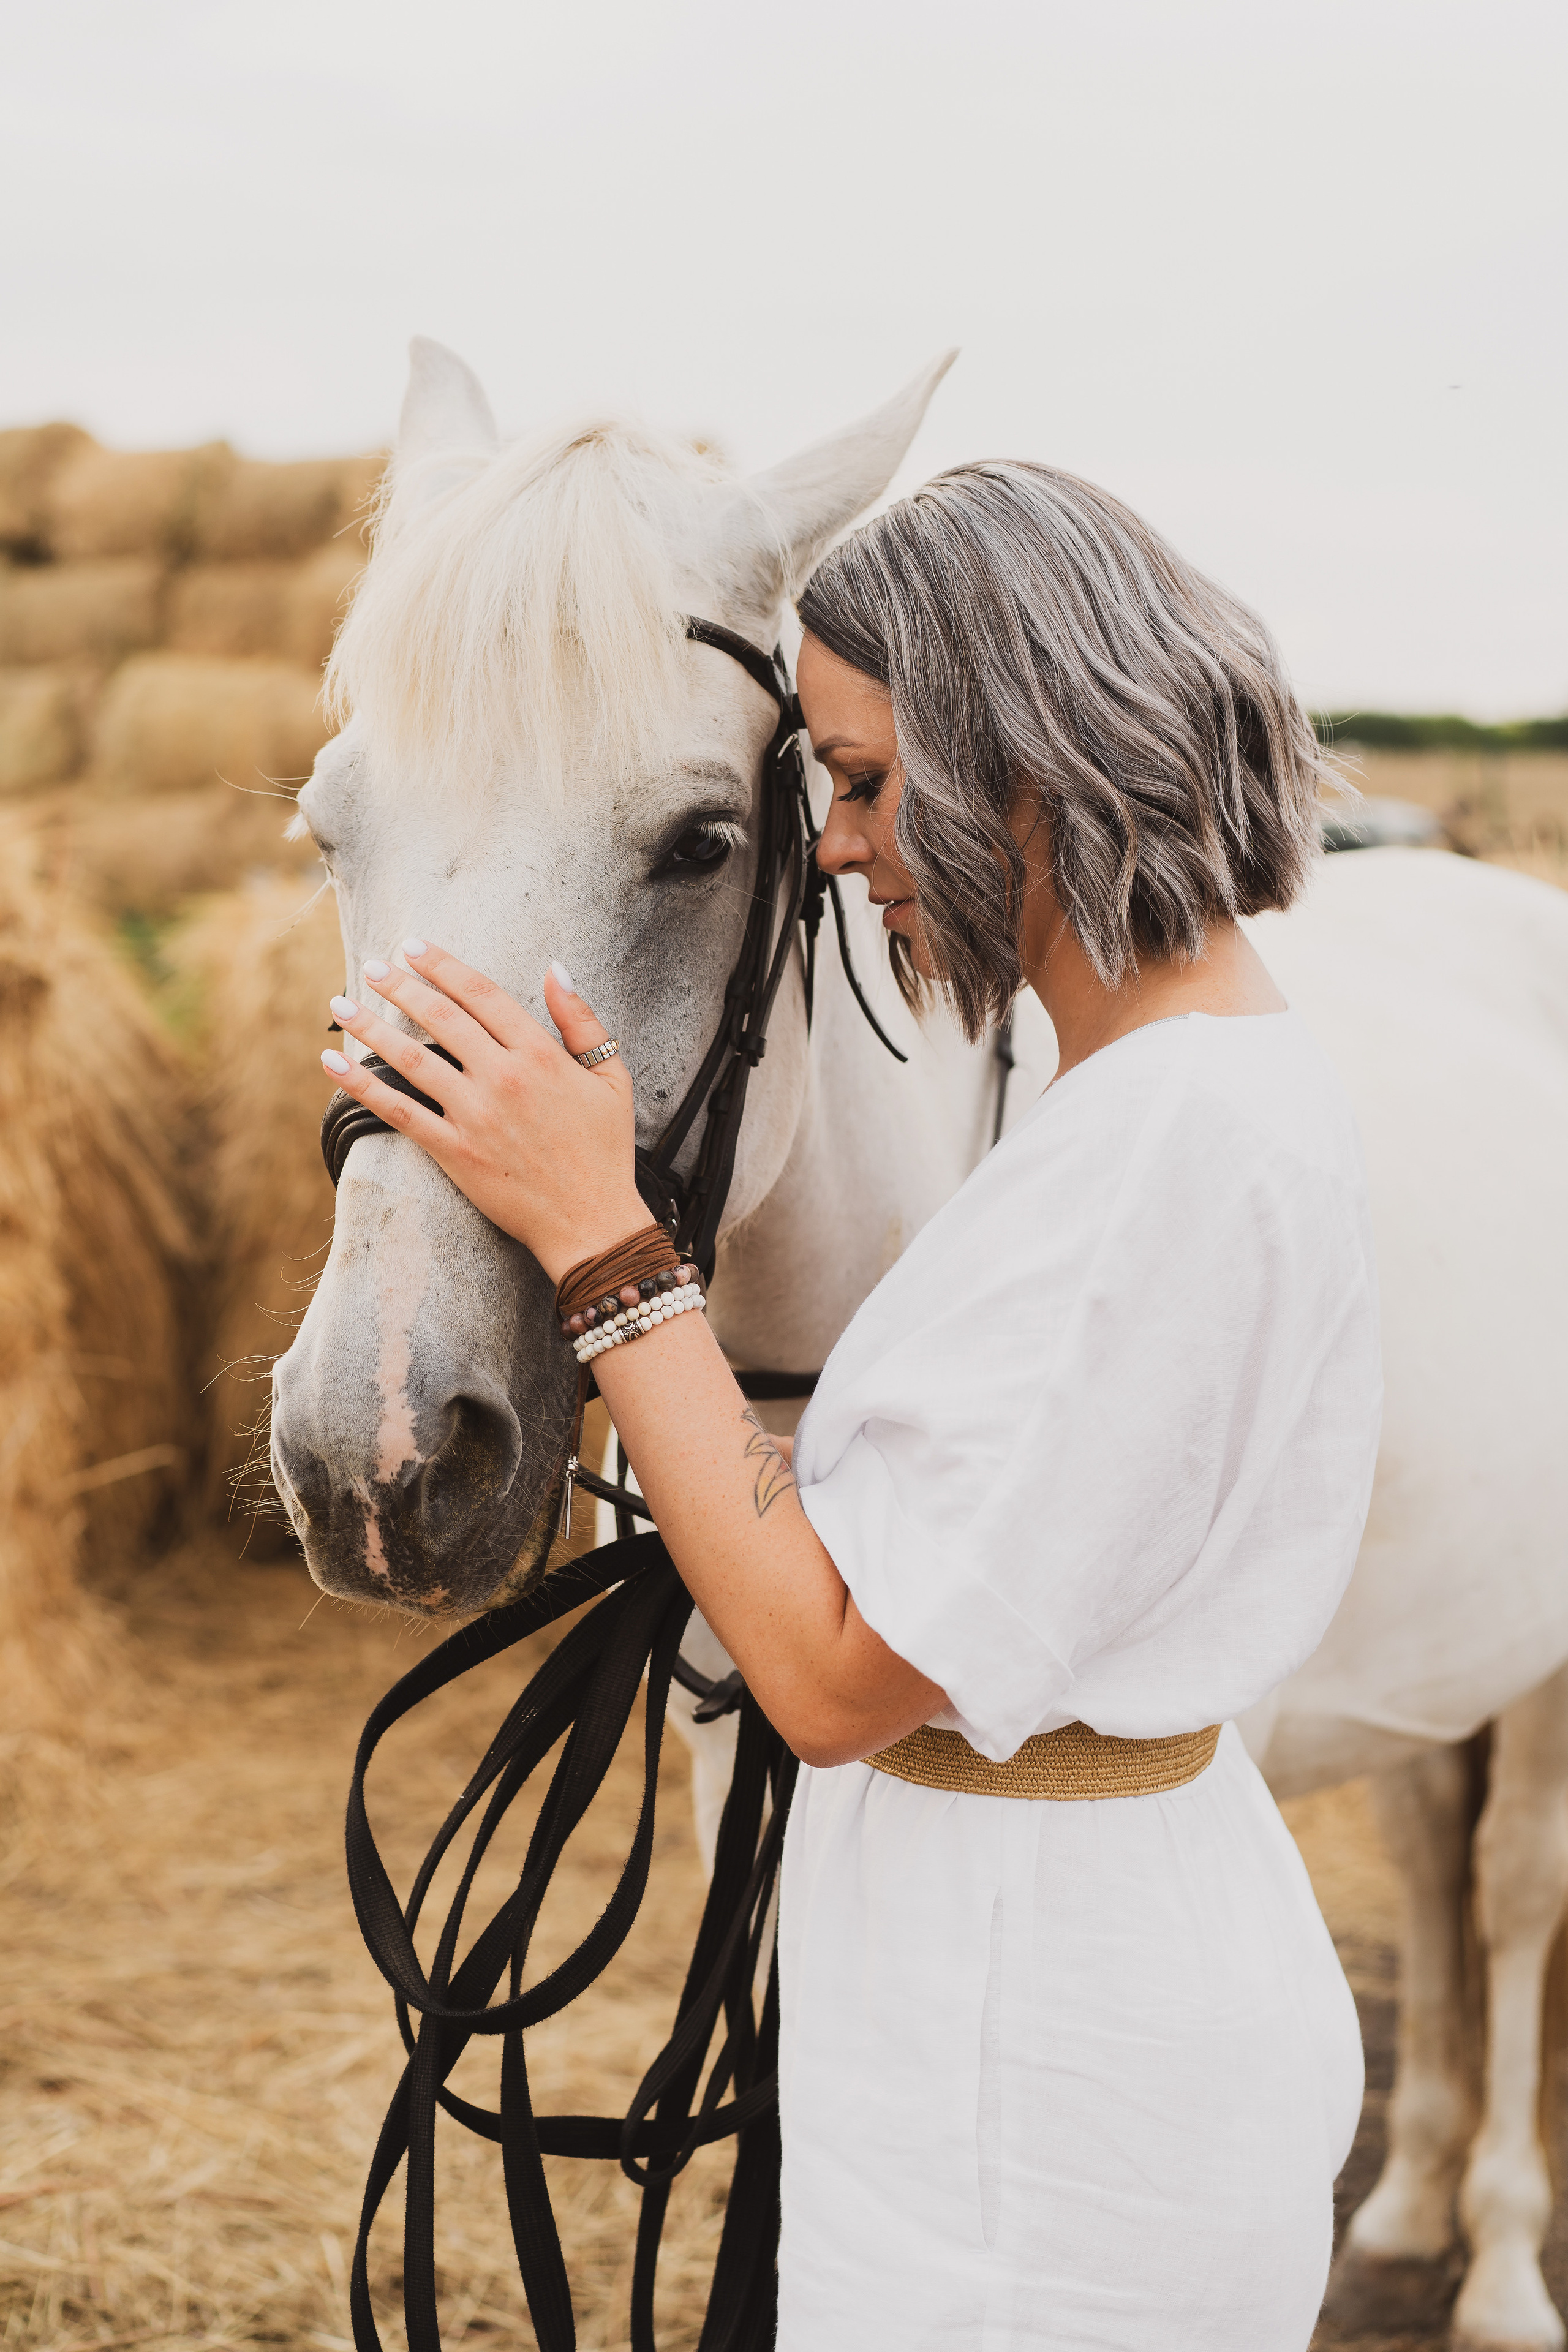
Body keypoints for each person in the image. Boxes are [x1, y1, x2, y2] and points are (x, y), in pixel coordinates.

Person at [321, 459, 1381, 2349]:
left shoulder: (1165, 1156)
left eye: (872, 784)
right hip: (1013, 2018)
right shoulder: (1159, 1104)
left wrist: (599, 1235)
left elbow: (826, 1673)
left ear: (1035, 761)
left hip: (1046, 2101)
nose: (835, 844)